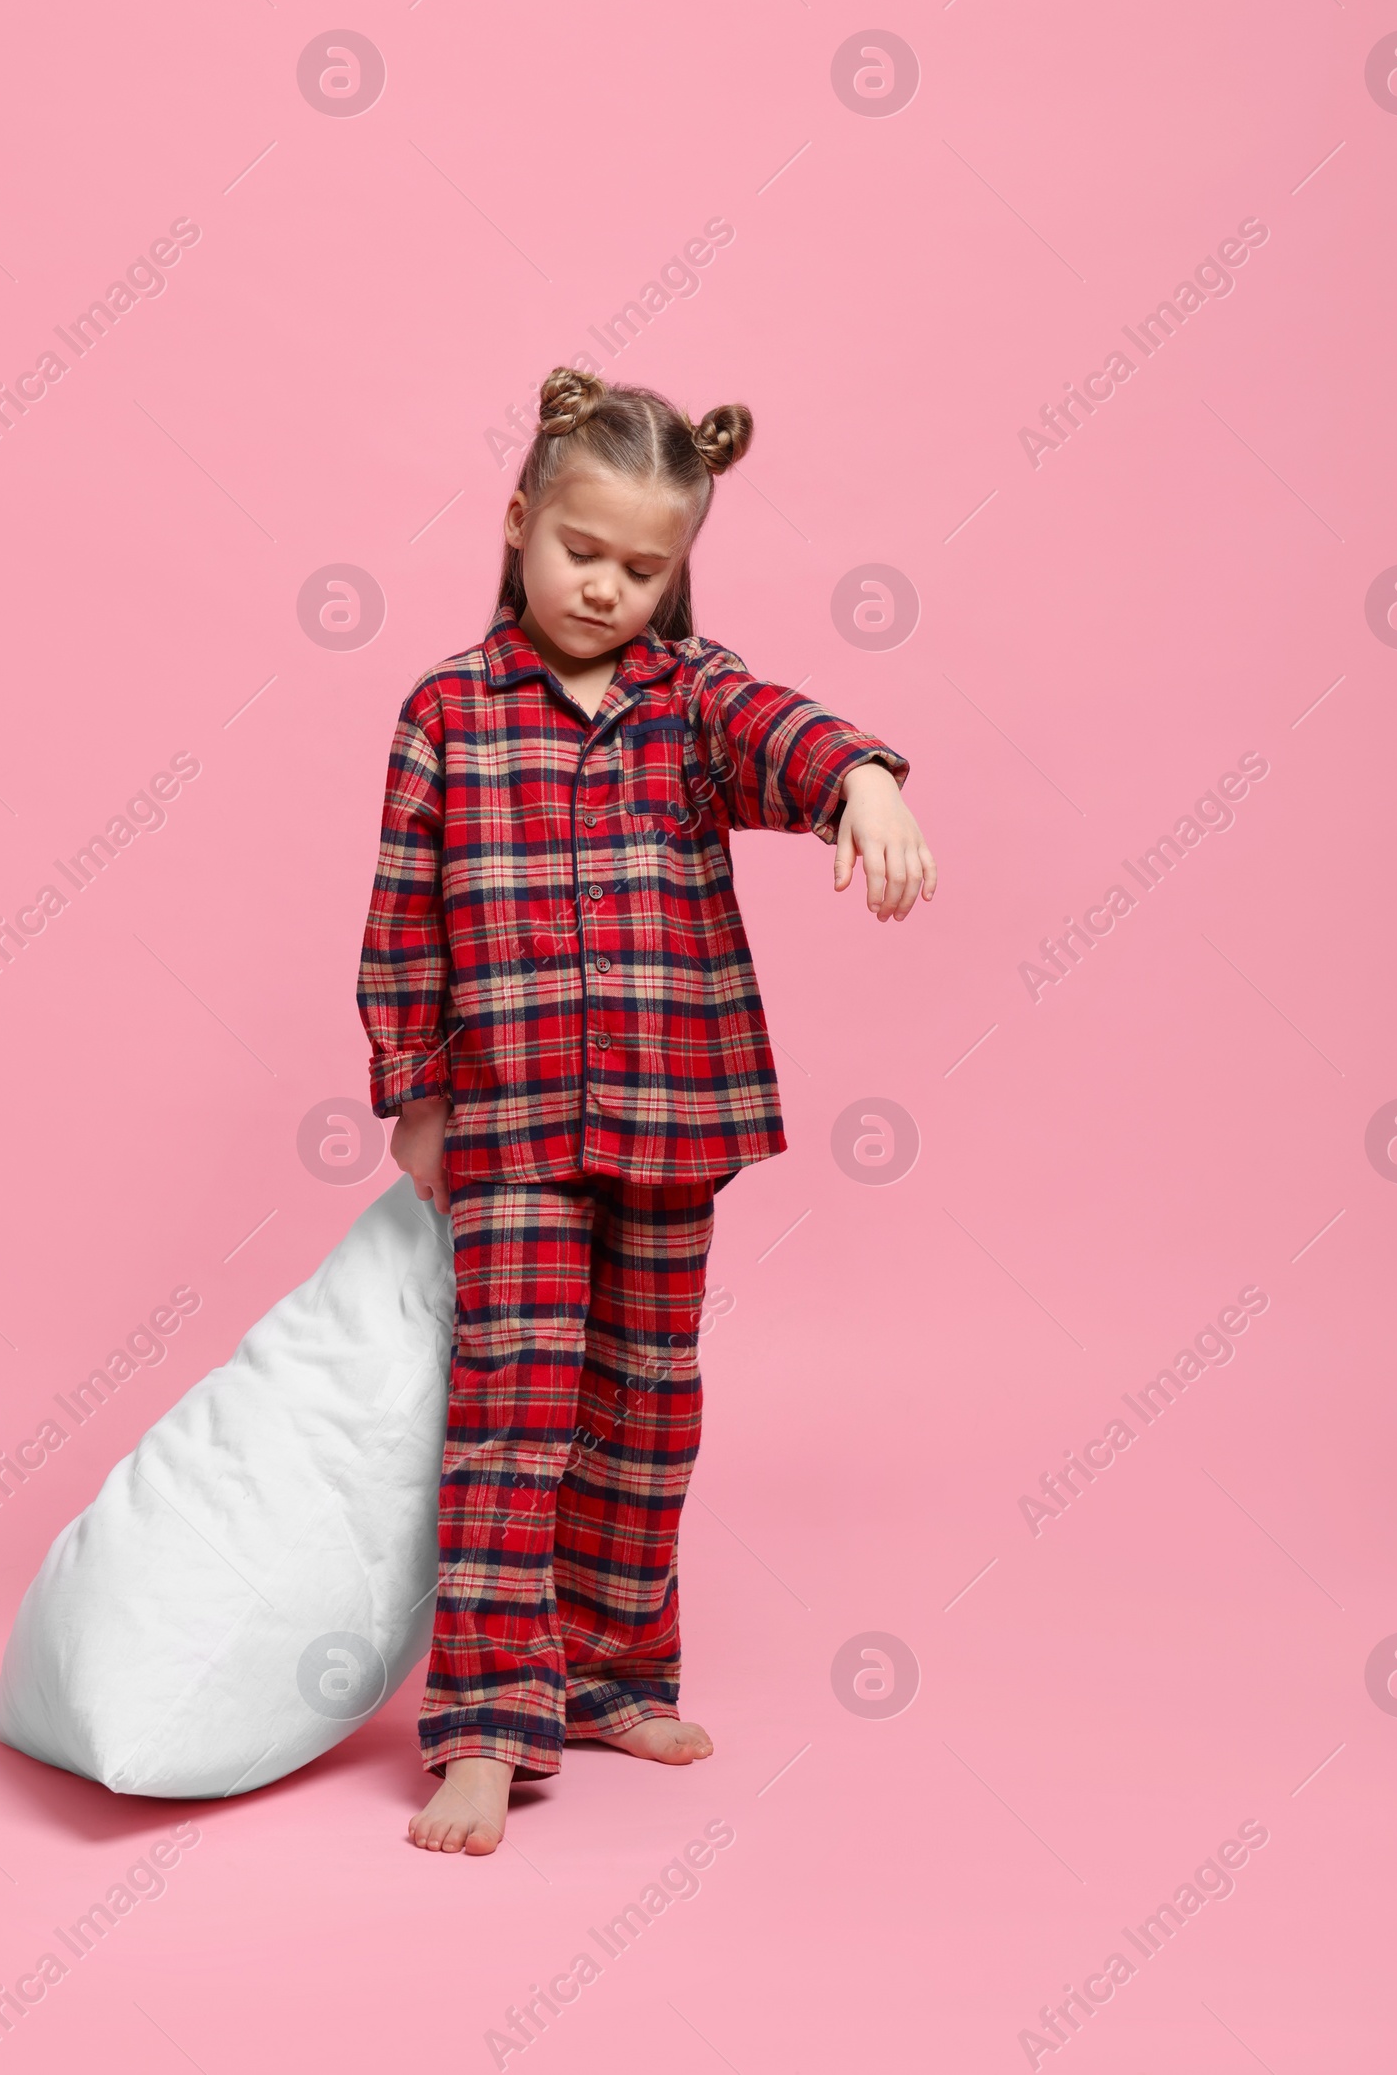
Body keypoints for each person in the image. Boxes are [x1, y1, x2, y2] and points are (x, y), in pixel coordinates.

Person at [356, 368, 937, 1854]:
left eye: (643, 566)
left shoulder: (692, 701)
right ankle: (488, 1718)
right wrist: (414, 1097)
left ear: (680, 567)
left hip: (674, 1116)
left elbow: (779, 727)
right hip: (512, 1128)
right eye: (582, 553)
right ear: (518, 525)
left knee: (649, 1407)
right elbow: (400, 926)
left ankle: (610, 1668)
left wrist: (862, 776)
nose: (607, 588)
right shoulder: (446, 712)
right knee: (516, 1409)